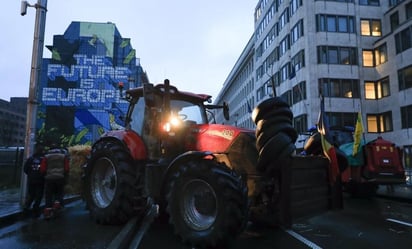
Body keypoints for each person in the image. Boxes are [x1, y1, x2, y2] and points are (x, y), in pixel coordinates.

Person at [40, 143, 70, 219]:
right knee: (59, 192)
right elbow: (67, 168)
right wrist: (65, 175)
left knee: (48, 195)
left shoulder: (46, 157)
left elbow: (43, 169)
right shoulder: (63, 156)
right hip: (60, 177)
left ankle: (48, 212)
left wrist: (44, 175)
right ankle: (57, 204)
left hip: (49, 178)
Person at [23, 143, 45, 218]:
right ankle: (36, 210)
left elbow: (25, 169)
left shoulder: (31, 158)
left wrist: (30, 174)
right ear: (42, 151)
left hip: (31, 179)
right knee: (39, 196)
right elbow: (45, 169)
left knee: (31, 194)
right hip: (40, 180)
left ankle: (27, 207)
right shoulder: (44, 159)